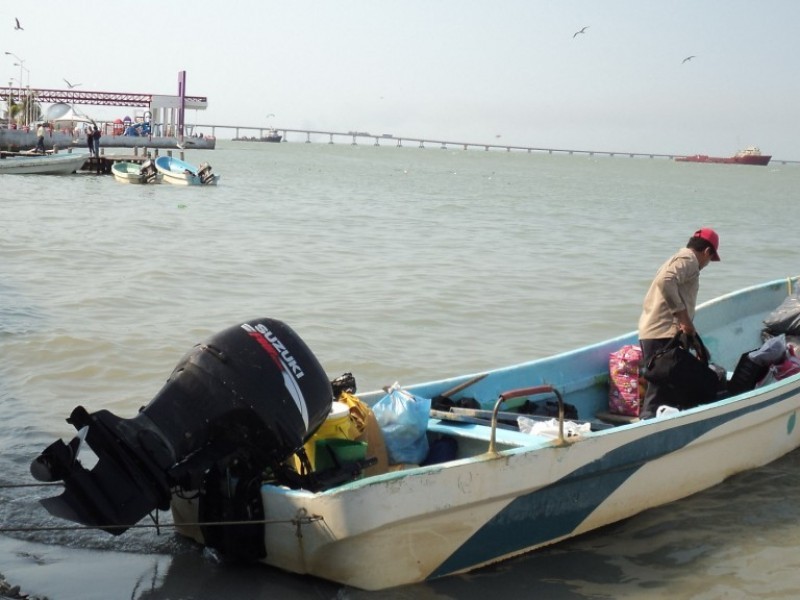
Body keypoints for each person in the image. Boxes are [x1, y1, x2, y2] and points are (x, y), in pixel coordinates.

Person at [638, 228, 721, 418]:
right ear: (707, 252)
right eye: (710, 259)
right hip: (663, 333)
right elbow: (665, 281)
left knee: (663, 384)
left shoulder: (678, 258)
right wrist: (683, 318)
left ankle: (657, 420)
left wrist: (689, 331)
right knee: (660, 388)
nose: (707, 264)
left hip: (655, 331)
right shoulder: (690, 260)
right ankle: (649, 425)